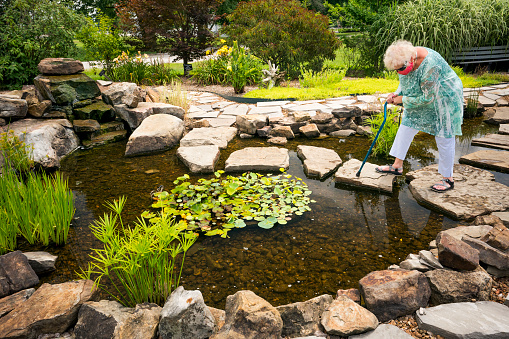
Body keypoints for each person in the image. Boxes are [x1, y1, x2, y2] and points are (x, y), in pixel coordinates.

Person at [375, 40, 463, 192]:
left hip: (444, 98)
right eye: (396, 70)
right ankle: (397, 166)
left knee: (444, 135)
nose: (399, 72)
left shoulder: (430, 64)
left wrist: (402, 100)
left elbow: (428, 99)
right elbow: (405, 81)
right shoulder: (405, 57)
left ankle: (448, 179)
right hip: (424, 94)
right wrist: (397, 93)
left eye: (401, 68)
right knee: (407, 125)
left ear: (411, 59)